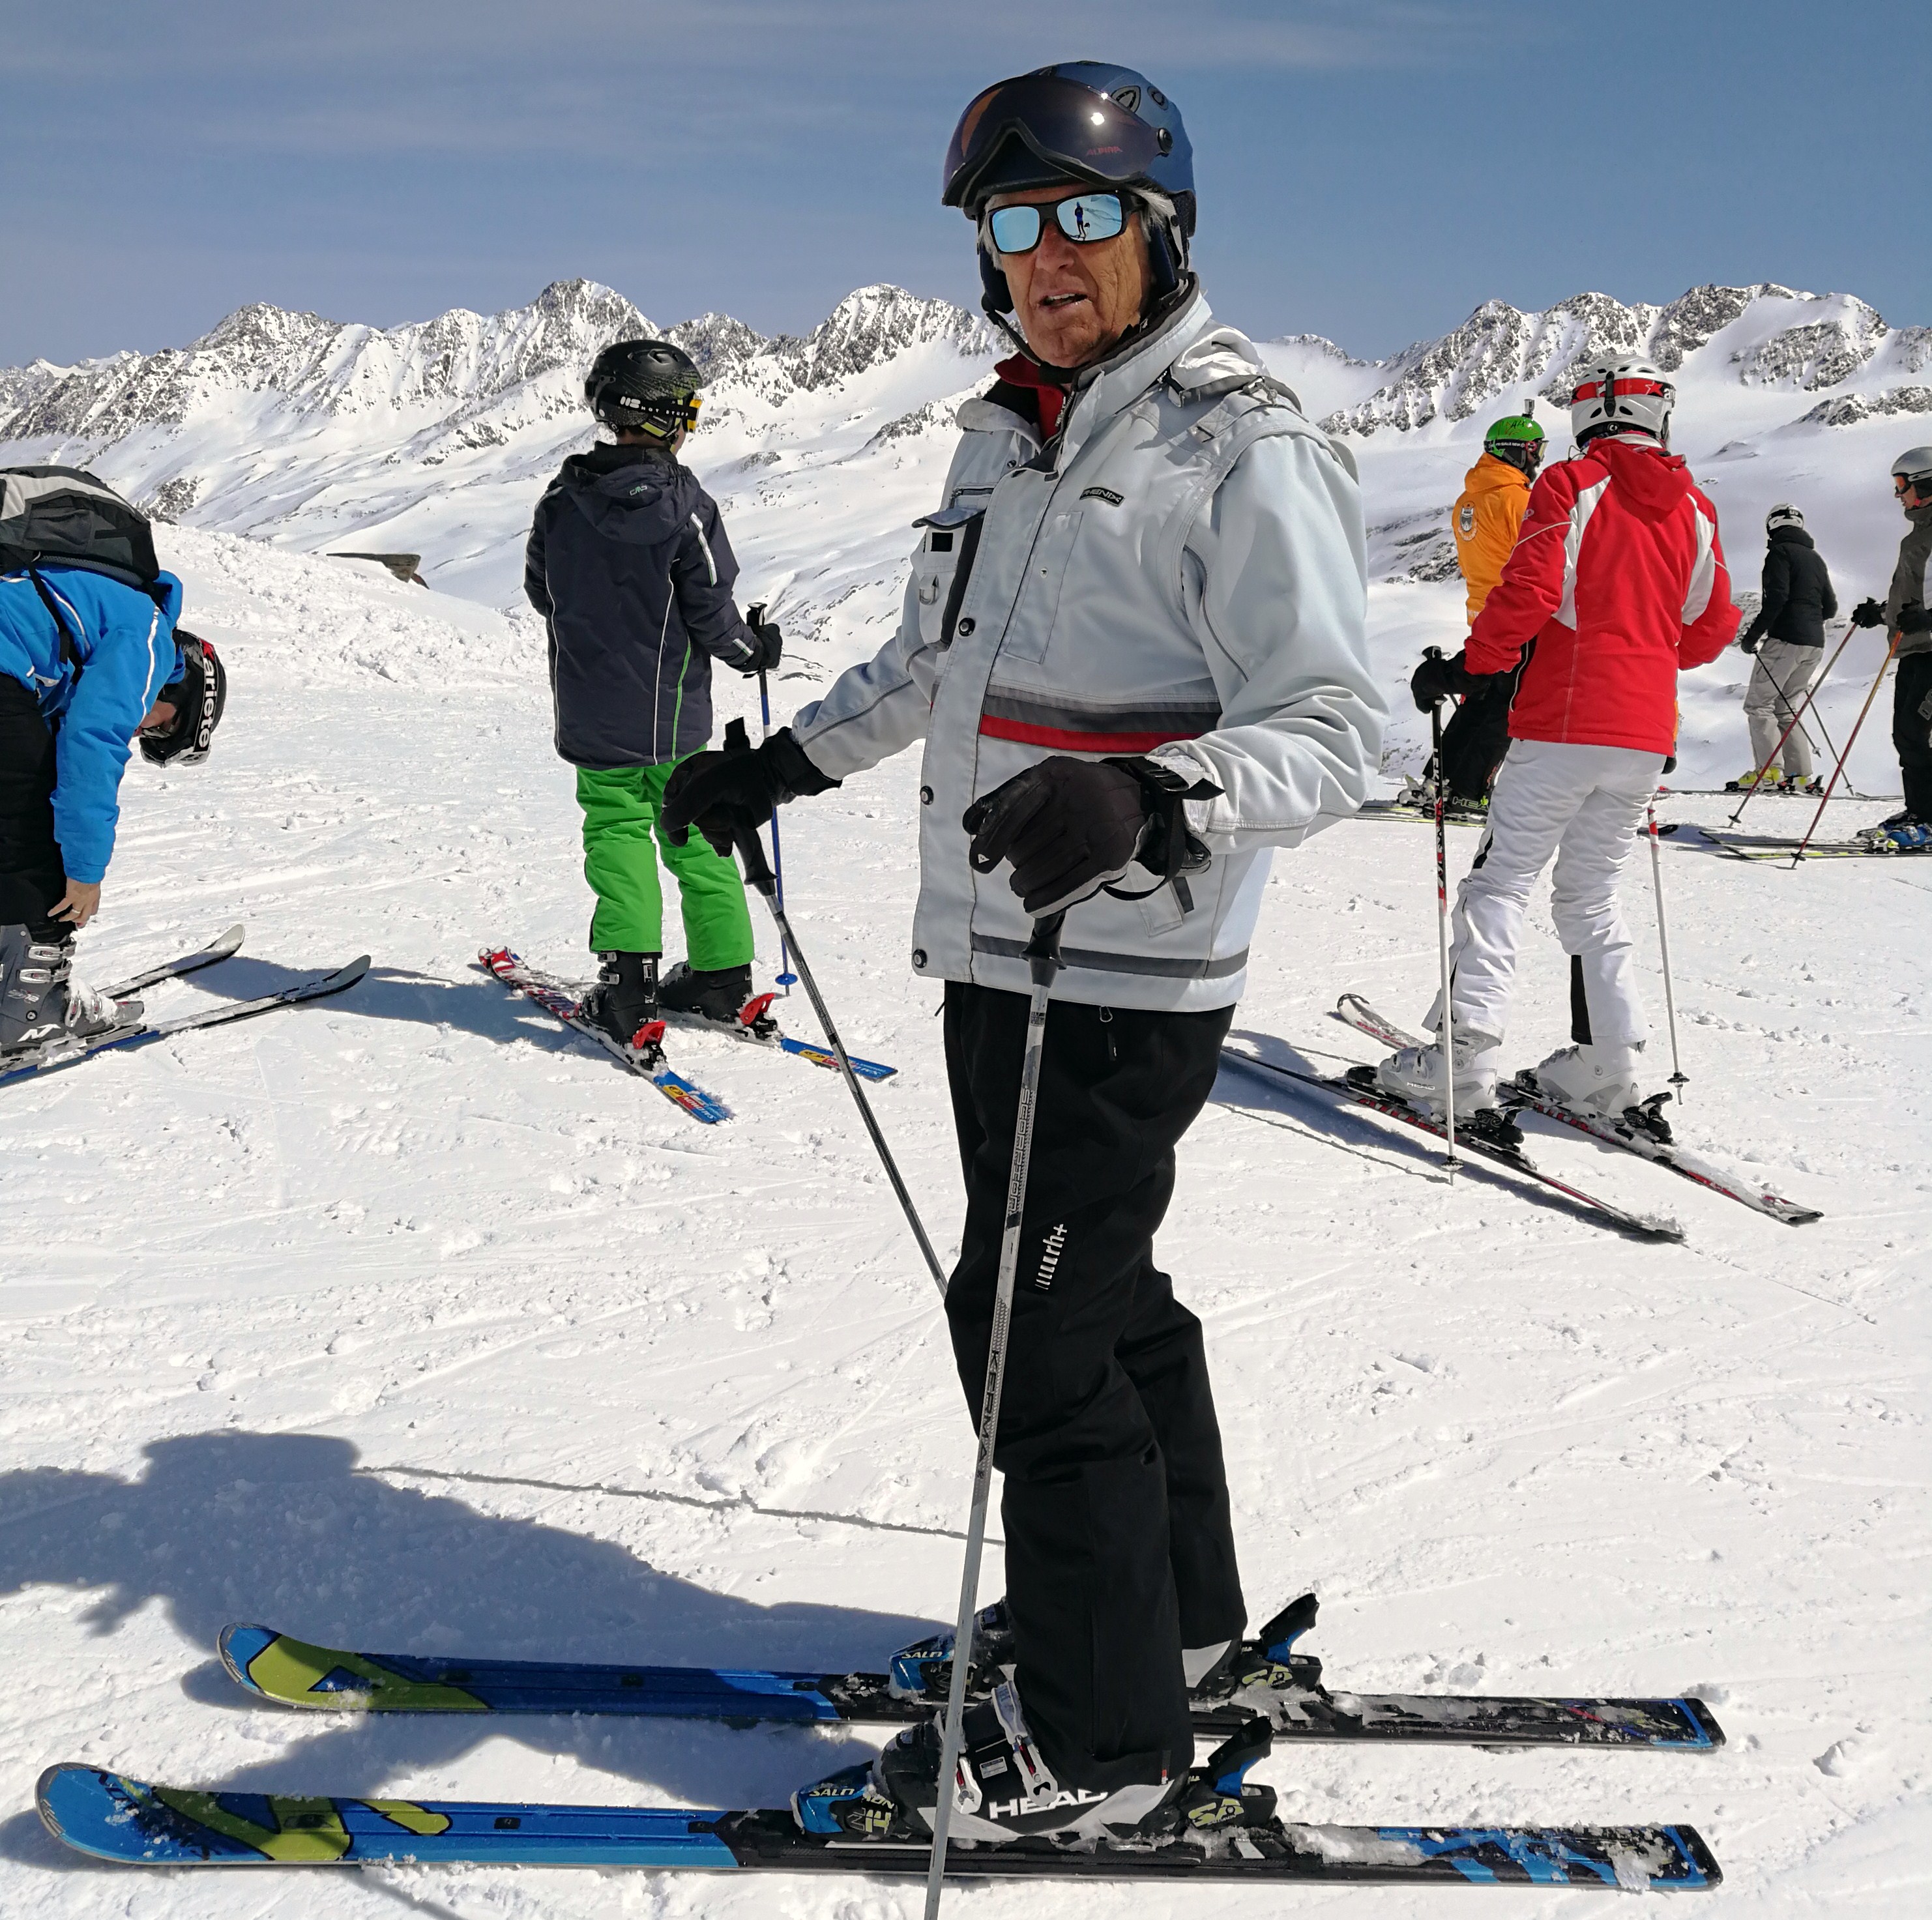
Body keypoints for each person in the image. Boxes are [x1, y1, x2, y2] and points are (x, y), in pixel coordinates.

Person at [662, 62, 1383, 1845]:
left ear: (1163, 233)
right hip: (989, 955)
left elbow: (1337, 730)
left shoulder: (1239, 444)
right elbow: (937, 662)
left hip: (1123, 980)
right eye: (1010, 224)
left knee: (1030, 1328)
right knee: (1095, 1295)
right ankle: (1173, 1629)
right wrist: (781, 763)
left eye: (1084, 216)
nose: (1046, 255)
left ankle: (1097, 1740)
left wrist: (1157, 792)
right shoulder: (1006, 431)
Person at [1380, 353, 1735, 1119]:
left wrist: (1468, 668)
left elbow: (1531, 590)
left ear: (1586, 415)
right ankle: (1608, 1066)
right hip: (1644, 732)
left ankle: (1461, 1061)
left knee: (1502, 881)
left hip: (1565, 722)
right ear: (1658, 415)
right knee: (1593, 896)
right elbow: (1710, 628)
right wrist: (1643, 657)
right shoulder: (1696, 506)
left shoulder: (1571, 485)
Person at [523, 341, 782, 1051]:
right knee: (696, 833)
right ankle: (722, 977)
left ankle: (628, 990)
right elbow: (713, 614)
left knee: (616, 836)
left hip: (593, 715)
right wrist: (754, 652)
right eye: (688, 412)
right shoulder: (687, 509)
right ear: (666, 418)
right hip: (675, 722)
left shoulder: (560, 502)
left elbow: (542, 591)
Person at [1, 467, 218, 1053]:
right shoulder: (149, 634)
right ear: (180, 689)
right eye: (162, 724)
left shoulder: (76, 602)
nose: (143, 727)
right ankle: (30, 1007)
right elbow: (91, 745)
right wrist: (85, 871)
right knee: (34, 828)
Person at [1415, 409, 1546, 813]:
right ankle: (1469, 792)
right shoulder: (1520, 500)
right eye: (1535, 451)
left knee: (1481, 700)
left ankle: (1438, 782)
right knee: (1504, 709)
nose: (1538, 460)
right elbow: (1540, 559)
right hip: (1517, 617)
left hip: (1482, 614)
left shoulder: (1468, 501)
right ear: (1518, 452)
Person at [1846, 446, 1932, 847]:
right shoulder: (1919, 536)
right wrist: (1883, 613)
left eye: (1902, 484)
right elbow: (1917, 599)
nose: (1898, 494)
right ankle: (1921, 811)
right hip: (1915, 649)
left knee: (1918, 734)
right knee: (1907, 735)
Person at [1733, 502, 1836, 793]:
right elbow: (1830, 607)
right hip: (1815, 644)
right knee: (1786, 706)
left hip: (1785, 640)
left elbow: (1776, 598)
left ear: (1771, 526)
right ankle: (1800, 776)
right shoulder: (1815, 558)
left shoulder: (1779, 553)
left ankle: (1768, 773)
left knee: (1759, 704)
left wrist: (1753, 636)